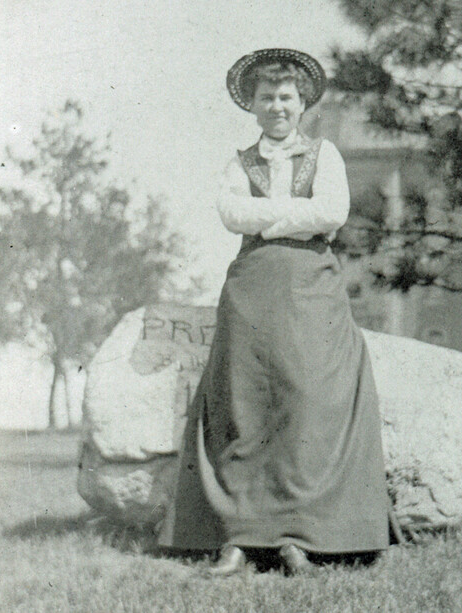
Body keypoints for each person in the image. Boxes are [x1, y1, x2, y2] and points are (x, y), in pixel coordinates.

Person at [157, 48, 390, 576]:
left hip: (310, 290)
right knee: (245, 405)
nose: (278, 107)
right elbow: (232, 214)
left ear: (302, 102)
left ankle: (299, 538)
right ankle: (238, 539)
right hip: (251, 291)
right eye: (267, 98)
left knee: (308, 402)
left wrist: (270, 218)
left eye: (286, 97)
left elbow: (332, 211)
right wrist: (296, 217)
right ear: (253, 105)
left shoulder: (324, 155)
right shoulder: (238, 162)